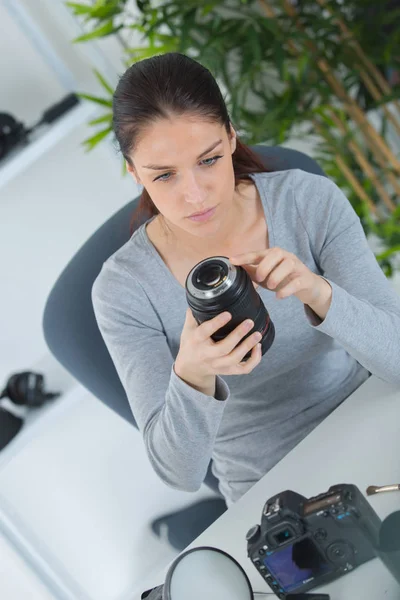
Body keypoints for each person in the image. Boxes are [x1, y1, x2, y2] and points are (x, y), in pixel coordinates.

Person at [92, 52, 400, 507]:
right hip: (270, 488)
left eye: (210, 160)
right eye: (164, 175)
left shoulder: (306, 201)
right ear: (134, 172)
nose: (194, 195)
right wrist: (192, 373)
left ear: (232, 138)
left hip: (371, 421)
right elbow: (179, 474)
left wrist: (320, 294)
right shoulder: (124, 290)